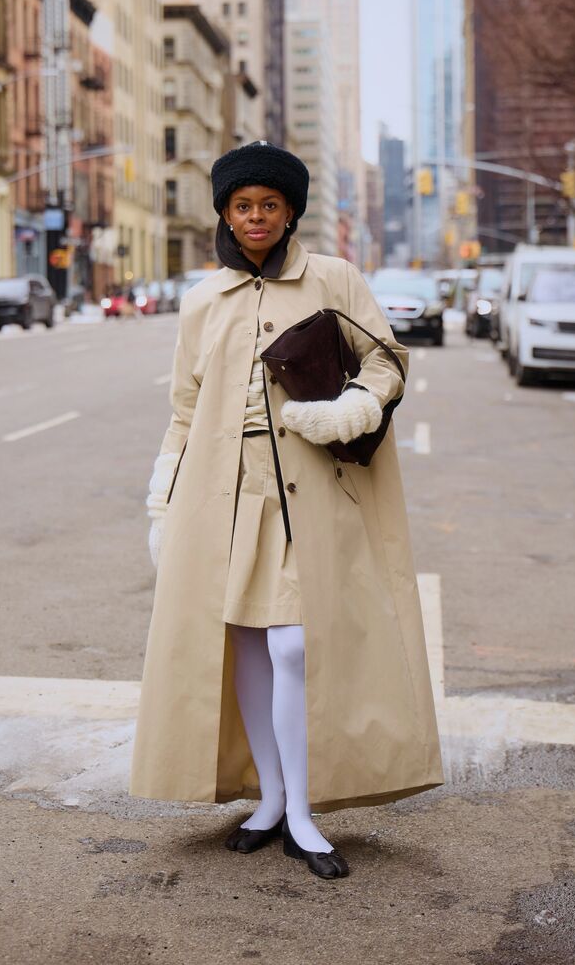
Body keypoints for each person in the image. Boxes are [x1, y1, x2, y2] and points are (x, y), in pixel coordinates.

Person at [130, 142, 442, 880]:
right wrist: (162, 497)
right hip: (221, 493)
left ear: (291, 210)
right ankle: (269, 799)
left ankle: (303, 810)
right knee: (241, 640)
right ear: (226, 214)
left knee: (294, 645)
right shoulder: (204, 299)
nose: (256, 217)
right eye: (243, 206)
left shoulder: (333, 278)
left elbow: (387, 361)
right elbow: (183, 410)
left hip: (305, 489)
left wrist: (350, 410)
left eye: (269, 204)